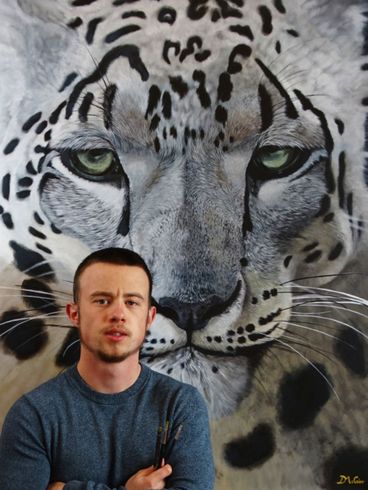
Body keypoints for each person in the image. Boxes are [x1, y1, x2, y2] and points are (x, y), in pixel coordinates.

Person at [0, 248, 215, 490]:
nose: (118, 314)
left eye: (132, 302)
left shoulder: (180, 405)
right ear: (75, 313)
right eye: (102, 300)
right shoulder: (32, 416)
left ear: (149, 317)